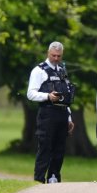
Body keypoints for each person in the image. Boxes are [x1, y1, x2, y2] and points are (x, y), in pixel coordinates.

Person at [27, 41, 75, 183]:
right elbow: (30, 94)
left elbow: (66, 96)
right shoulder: (39, 71)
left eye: (59, 56)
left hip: (62, 113)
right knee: (45, 147)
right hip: (47, 113)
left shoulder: (62, 70)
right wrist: (48, 96)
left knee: (59, 149)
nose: (56, 58)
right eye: (53, 55)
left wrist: (69, 118)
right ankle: (39, 179)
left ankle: (54, 177)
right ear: (48, 53)